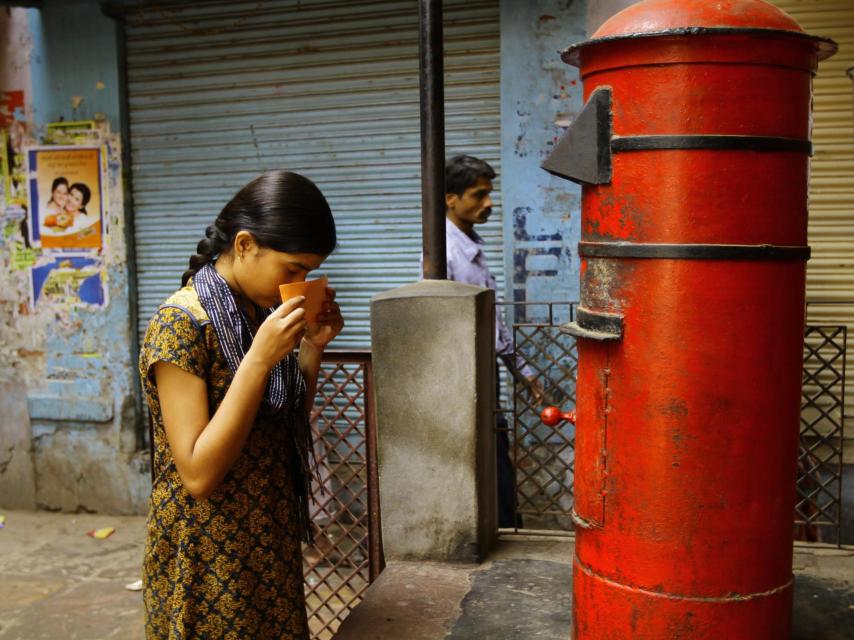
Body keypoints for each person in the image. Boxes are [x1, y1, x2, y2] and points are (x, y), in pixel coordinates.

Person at [139, 170, 343, 639]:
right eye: (292, 270)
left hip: (268, 535)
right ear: (245, 245)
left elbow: (282, 421)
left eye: (309, 272)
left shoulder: (257, 313)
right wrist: (259, 359)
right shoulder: (181, 324)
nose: (300, 282)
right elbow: (198, 474)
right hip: (207, 552)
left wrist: (313, 346)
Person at [435, 154, 544, 529]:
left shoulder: (469, 245)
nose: (489, 203)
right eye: (478, 195)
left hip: (483, 369)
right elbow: (442, 320)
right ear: (450, 198)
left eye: (489, 193)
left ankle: (503, 525)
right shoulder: (442, 252)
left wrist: (521, 371)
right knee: (485, 455)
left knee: (494, 450)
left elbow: (492, 321)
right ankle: (501, 527)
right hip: (465, 374)